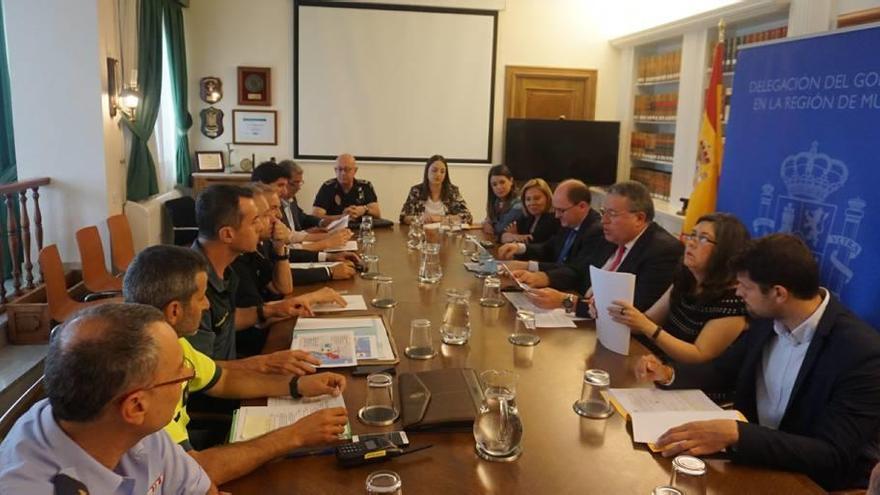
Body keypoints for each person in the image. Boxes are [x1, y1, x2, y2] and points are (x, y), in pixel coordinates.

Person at [636, 234, 880, 490]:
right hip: (749, 461)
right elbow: (724, 369)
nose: (738, 292)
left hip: (808, 481)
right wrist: (668, 374)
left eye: (746, 287)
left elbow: (832, 454)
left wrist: (737, 434)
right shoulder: (767, 316)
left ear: (778, 293)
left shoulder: (862, 353)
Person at [124, 245, 350, 485]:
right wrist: (295, 435)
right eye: (201, 297)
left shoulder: (173, 342)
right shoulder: (142, 378)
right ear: (175, 310)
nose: (207, 306)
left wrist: (297, 385)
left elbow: (223, 379)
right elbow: (192, 473)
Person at [0, 304, 215, 494]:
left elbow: (202, 490)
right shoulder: (28, 487)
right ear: (136, 406)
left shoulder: (133, 427)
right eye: (180, 374)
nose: (189, 374)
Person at [190, 185, 341, 364]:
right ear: (228, 234)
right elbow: (204, 375)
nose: (263, 225)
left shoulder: (225, 266)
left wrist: (272, 309)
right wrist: (269, 364)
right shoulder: (193, 284)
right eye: (255, 220)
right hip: (228, 378)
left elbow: (225, 320)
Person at [608, 213, 749, 363]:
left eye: (703, 238)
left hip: (688, 378)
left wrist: (647, 327)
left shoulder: (733, 301)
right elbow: (648, 320)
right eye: (692, 235)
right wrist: (611, 311)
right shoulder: (685, 279)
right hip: (657, 363)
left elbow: (700, 355)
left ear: (725, 250)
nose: (691, 243)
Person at [527, 181, 683, 313]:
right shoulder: (608, 236)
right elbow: (578, 270)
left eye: (612, 214)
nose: (604, 221)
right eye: (603, 212)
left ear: (639, 218)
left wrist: (567, 302)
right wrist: (542, 276)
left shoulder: (663, 251)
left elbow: (632, 311)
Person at [233, 184, 351, 355]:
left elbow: (282, 288)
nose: (279, 216)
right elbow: (259, 321)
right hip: (250, 353)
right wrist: (312, 296)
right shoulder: (236, 259)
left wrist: (280, 246)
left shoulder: (252, 251)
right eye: (266, 213)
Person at [499, 179, 613, 292]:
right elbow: (549, 248)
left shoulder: (596, 231)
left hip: (570, 293)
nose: (557, 216)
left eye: (561, 210)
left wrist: (532, 269)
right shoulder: (569, 222)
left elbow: (576, 271)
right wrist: (519, 248)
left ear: (582, 206)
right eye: (556, 209)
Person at [252, 160, 352, 249]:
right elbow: (286, 250)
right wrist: (326, 242)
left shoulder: (287, 200)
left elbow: (291, 234)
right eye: (280, 185)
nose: (285, 190)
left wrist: (323, 228)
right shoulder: (258, 215)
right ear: (261, 185)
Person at [399, 154, 472, 225]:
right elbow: (404, 217)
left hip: (446, 235)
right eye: (434, 170)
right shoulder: (416, 191)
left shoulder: (452, 192)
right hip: (422, 234)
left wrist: (442, 218)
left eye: (442, 171)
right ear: (427, 171)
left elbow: (468, 217)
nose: (438, 174)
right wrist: (420, 218)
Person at [312, 153, 381, 220]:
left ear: (355, 170)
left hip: (360, 228)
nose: (343, 173)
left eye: (347, 169)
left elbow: (377, 214)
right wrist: (343, 217)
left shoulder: (365, 186)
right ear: (335, 170)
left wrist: (364, 209)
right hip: (335, 230)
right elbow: (315, 216)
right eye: (340, 169)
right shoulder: (327, 187)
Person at [500, 178, 559, 244]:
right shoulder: (528, 218)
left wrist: (514, 237)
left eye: (537, 198)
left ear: (547, 198)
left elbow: (532, 241)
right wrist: (517, 237)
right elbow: (502, 236)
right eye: (528, 199)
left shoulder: (553, 219)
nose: (532, 203)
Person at [481, 164, 522, 238]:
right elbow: (488, 220)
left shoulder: (518, 204)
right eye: (494, 184)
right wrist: (485, 223)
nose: (499, 187)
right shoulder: (496, 201)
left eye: (502, 182)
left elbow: (500, 229)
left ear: (511, 181)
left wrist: (488, 224)